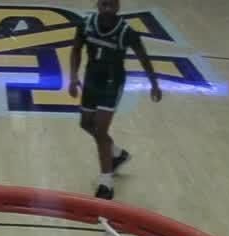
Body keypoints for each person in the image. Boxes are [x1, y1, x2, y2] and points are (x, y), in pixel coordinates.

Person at [67, 0, 162, 200]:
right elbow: (76, 50)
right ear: (98, 5)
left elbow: (143, 57)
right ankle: (117, 154)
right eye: (104, 4)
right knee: (85, 124)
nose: (108, 8)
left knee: (101, 132)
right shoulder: (85, 24)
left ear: (118, 7)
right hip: (91, 80)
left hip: (112, 84)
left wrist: (154, 83)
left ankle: (106, 182)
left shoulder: (127, 32)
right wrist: (73, 77)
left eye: (111, 5)